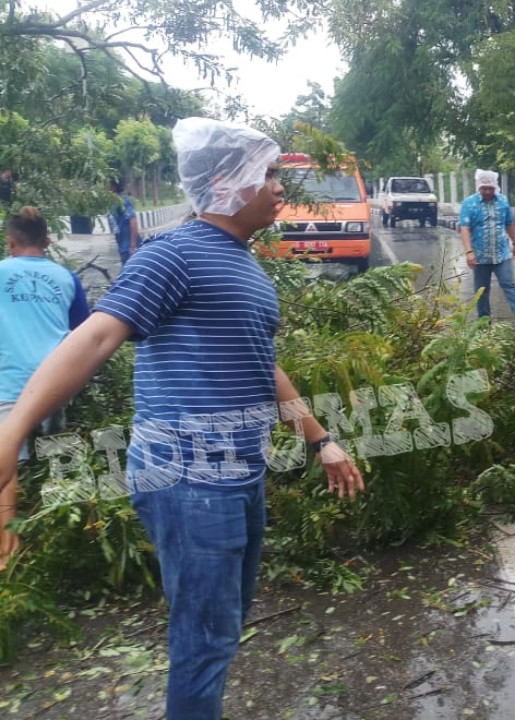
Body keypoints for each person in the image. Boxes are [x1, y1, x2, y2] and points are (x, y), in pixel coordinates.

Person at [0, 117, 365, 720]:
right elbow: (94, 339)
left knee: (220, 629)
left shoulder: (244, 266)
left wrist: (321, 439)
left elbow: (262, 366)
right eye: (267, 175)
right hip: (192, 475)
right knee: (205, 643)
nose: (280, 188)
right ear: (225, 182)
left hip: (238, 472)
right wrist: (12, 431)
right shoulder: (175, 252)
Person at [0, 206, 90, 569]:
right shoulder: (67, 277)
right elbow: (83, 332)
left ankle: (7, 551)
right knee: (57, 449)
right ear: (48, 242)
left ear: (10, 243)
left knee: (8, 467)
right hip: (57, 380)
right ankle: (68, 527)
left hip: (8, 382)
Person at [459, 169, 515, 327]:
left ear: (495, 187)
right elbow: (465, 228)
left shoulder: (503, 201)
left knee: (508, 283)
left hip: (502, 253)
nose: (487, 192)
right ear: (479, 187)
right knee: (481, 290)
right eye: (484, 188)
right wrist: (469, 252)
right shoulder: (469, 203)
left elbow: (509, 223)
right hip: (480, 256)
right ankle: (484, 322)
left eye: (490, 188)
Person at [108, 179, 140, 265]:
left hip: (129, 246)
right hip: (122, 245)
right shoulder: (112, 202)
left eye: (108, 185)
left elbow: (133, 221)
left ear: (114, 187)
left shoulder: (124, 201)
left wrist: (133, 246)